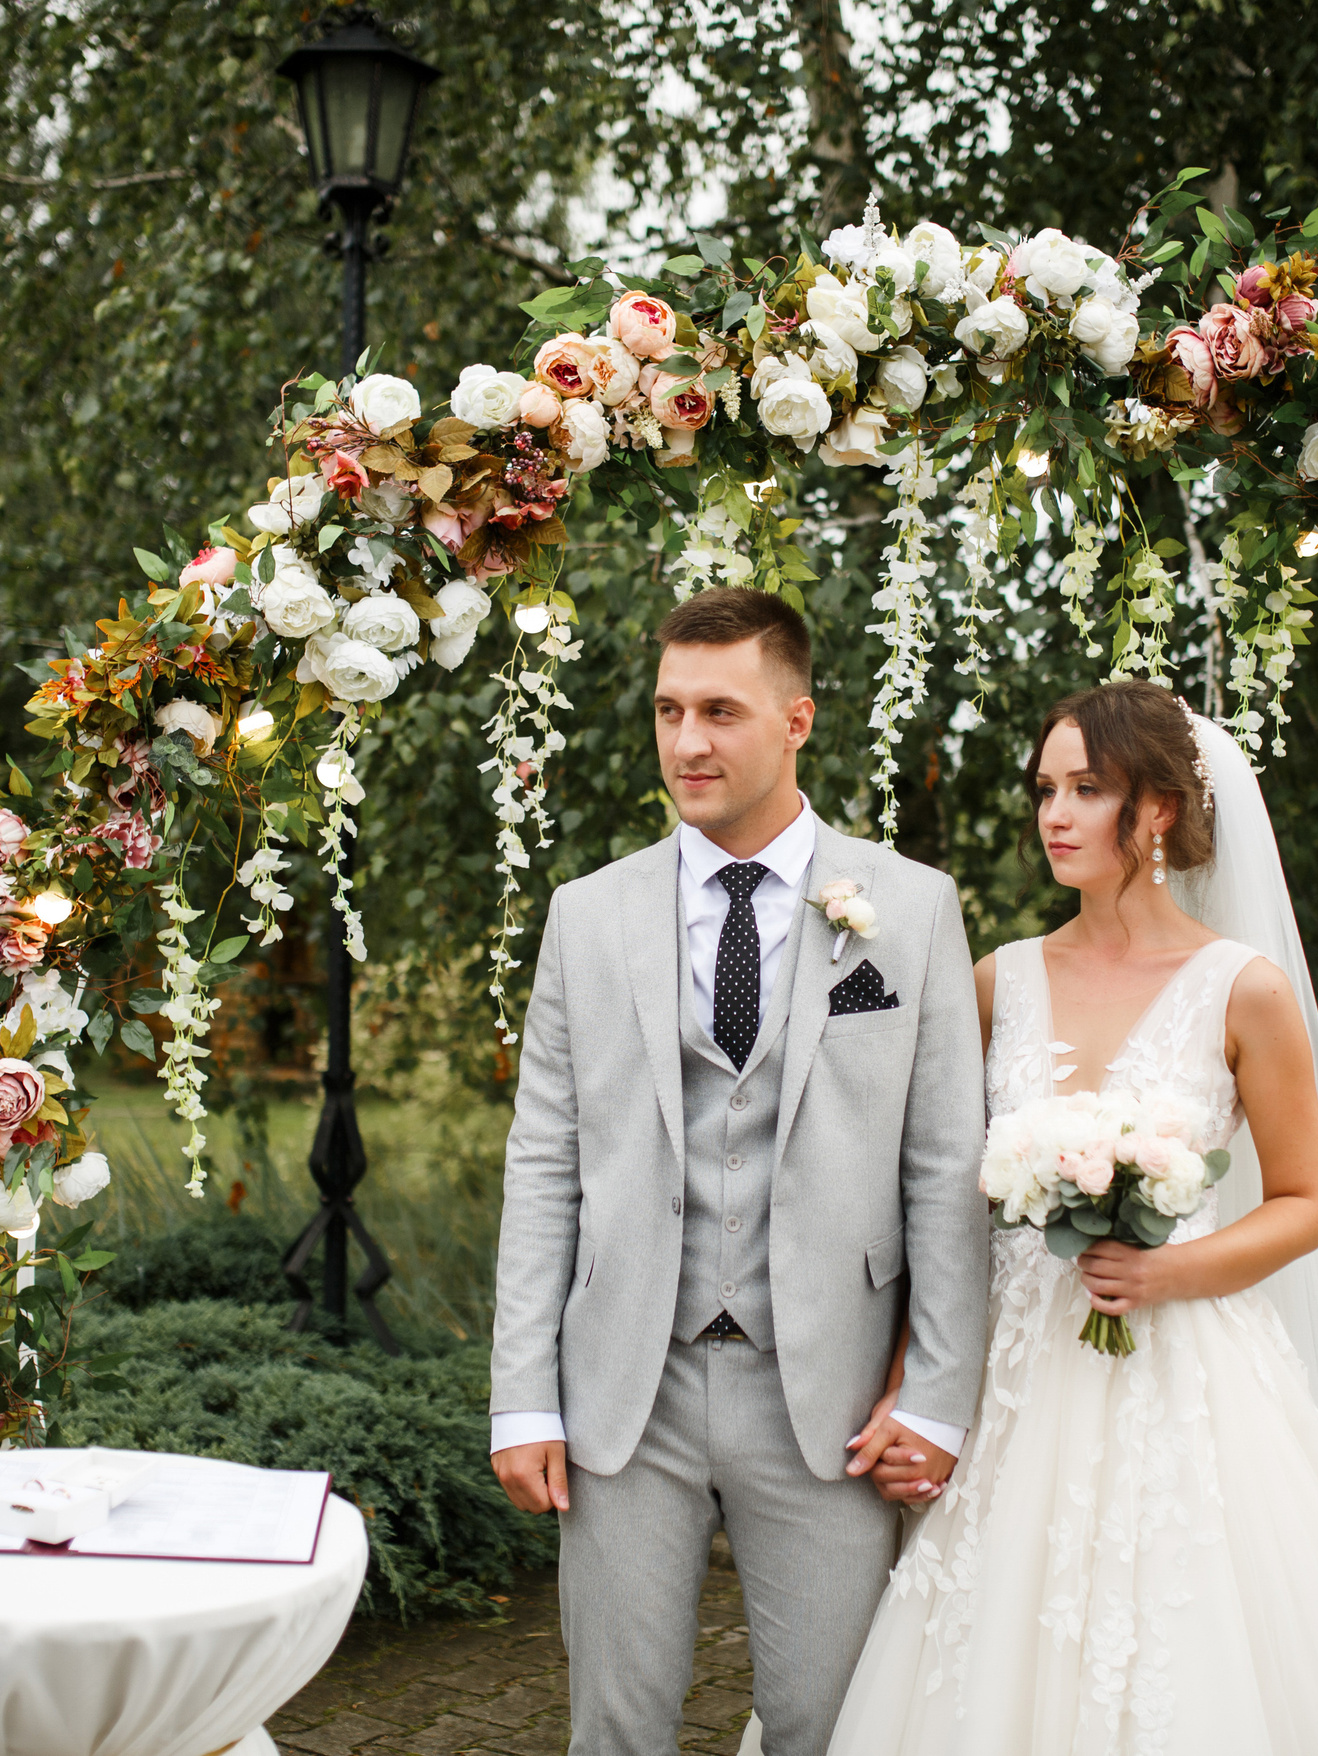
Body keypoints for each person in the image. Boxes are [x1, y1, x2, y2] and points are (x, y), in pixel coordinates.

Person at [817, 678, 1318, 1755]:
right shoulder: (998, 981)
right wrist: (914, 1373)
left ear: (1153, 810)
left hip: (1184, 1370)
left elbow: (1303, 1205)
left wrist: (1167, 1272)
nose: (1053, 814)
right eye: (1045, 788)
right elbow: (935, 1205)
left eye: (1085, 789)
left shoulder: (1242, 989)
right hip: (1017, 1367)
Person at [487, 586, 991, 1756]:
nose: (687, 742)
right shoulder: (587, 913)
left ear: (796, 719)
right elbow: (544, 1163)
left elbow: (942, 1167)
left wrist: (937, 1395)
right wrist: (523, 1393)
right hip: (628, 1385)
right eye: (667, 711)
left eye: (720, 709)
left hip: (825, 1394)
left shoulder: (909, 910)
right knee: (614, 1726)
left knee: (831, 1723)